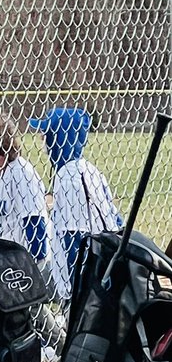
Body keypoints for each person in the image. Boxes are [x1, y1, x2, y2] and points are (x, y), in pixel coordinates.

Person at [0, 114, 64, 353]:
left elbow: (35, 225)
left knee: (25, 302)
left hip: (33, 260)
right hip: (6, 263)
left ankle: (62, 347)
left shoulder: (21, 173)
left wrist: (28, 269)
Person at [29, 107, 122, 301]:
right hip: (100, 270)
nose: (41, 139)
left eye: (46, 134)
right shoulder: (89, 169)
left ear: (59, 138)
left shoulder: (68, 177)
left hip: (82, 284)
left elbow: (73, 237)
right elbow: (117, 220)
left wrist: (76, 292)